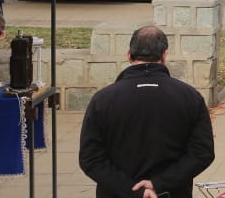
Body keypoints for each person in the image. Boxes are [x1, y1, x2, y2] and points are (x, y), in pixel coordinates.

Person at [78, 26, 214, 198]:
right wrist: (158, 184)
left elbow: (90, 159)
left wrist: (131, 190)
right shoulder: (190, 97)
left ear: (129, 55)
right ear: (164, 55)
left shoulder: (102, 100)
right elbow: (202, 153)